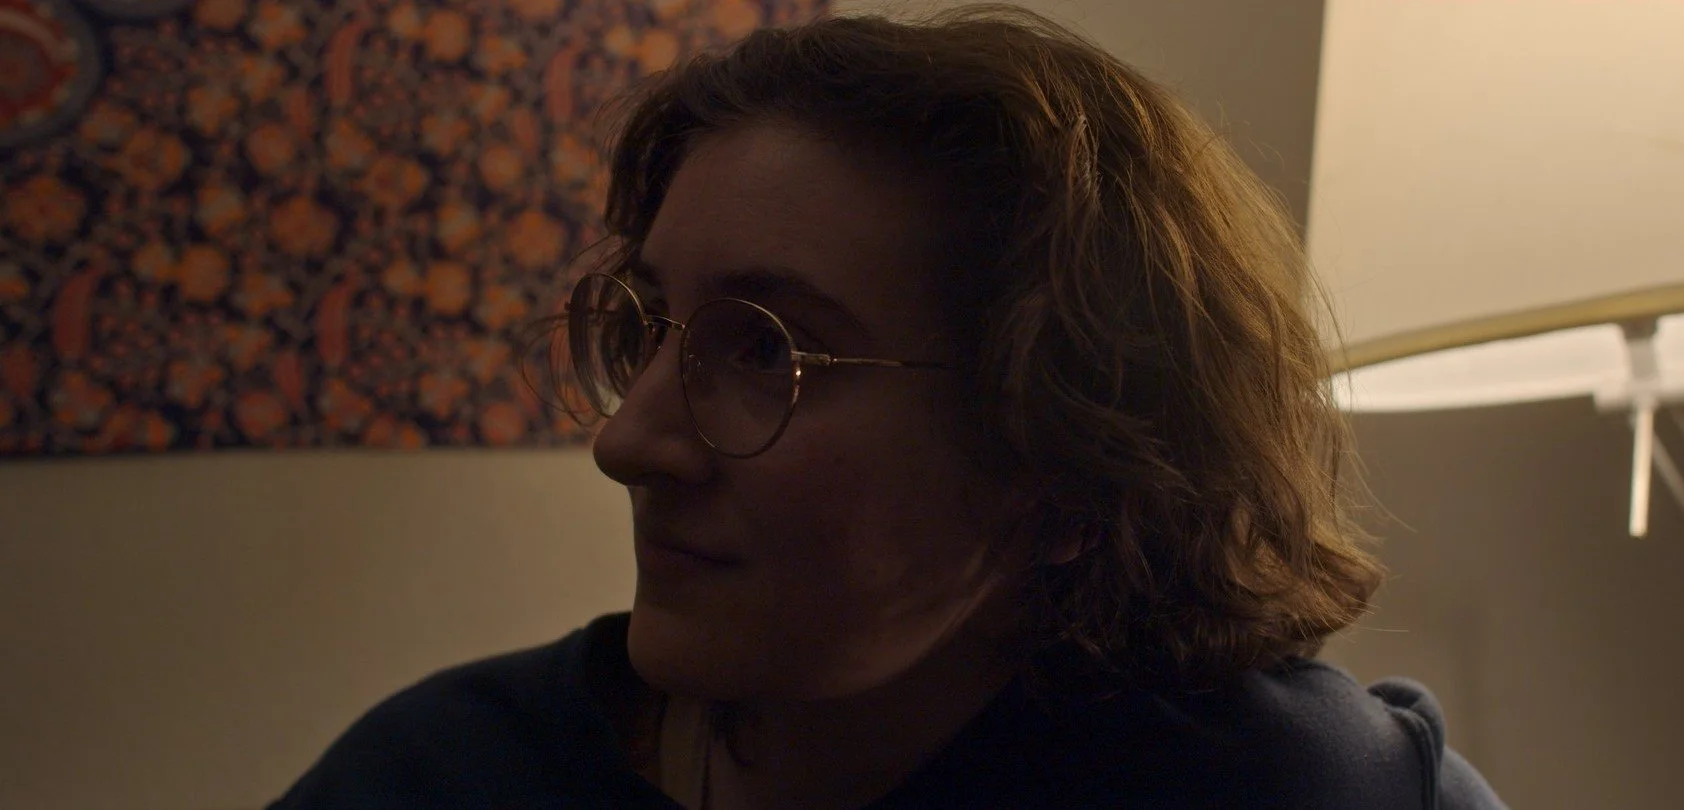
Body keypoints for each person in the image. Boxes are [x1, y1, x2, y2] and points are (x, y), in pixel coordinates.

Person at [273, 6, 1504, 809]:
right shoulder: (441, 778)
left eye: (766, 351)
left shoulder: (1286, 785)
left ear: (1067, 461)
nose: (628, 440)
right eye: (647, 327)